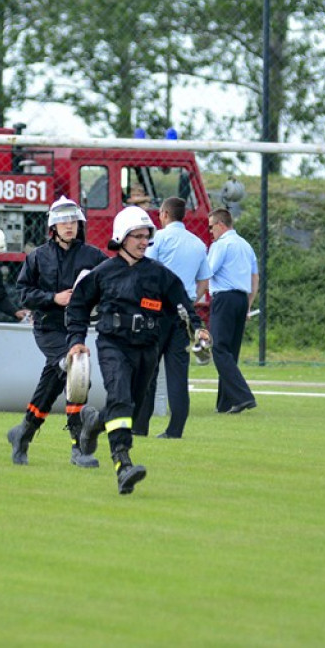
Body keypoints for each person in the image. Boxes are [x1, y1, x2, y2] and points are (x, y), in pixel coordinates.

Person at [68, 206, 208, 495]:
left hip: (147, 348)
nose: (144, 242)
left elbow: (182, 304)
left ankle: (94, 423)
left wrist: (198, 327)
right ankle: (123, 464)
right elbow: (78, 305)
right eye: (137, 237)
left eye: (147, 236)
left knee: (128, 405)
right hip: (113, 344)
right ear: (121, 237)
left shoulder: (160, 275)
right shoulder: (102, 273)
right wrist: (76, 340)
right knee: (120, 397)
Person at [7, 197, 108, 468]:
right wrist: (54, 298)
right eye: (63, 221)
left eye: (73, 221)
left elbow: (110, 284)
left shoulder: (94, 256)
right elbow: (23, 292)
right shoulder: (38, 256)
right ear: (53, 226)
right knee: (77, 373)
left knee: (53, 382)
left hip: (76, 329)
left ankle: (23, 433)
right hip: (47, 327)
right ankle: (81, 447)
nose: (68, 226)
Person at [133, 196, 212, 438]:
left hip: (155, 310)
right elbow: (204, 282)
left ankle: (140, 426)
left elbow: (146, 269)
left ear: (165, 214)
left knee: (149, 369)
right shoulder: (198, 244)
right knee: (178, 372)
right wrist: (190, 300)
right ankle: (175, 429)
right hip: (182, 312)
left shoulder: (158, 239)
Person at [206, 208, 258, 414]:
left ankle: (243, 396)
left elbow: (208, 271)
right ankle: (226, 402)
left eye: (211, 227)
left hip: (224, 298)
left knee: (218, 348)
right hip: (241, 299)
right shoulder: (246, 246)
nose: (210, 231)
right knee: (230, 352)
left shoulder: (221, 245)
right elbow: (255, 279)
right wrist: (249, 304)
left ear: (220, 225)